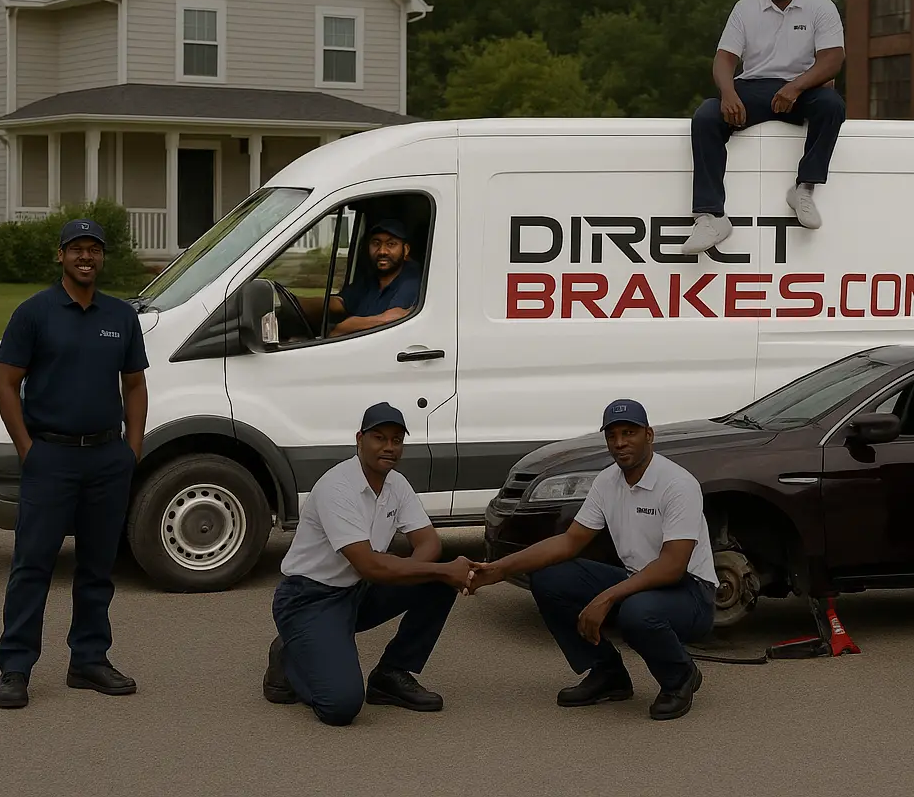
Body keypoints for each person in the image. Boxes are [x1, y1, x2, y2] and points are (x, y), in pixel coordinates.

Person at [466, 399, 717, 720]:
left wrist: (607, 597)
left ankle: (679, 677)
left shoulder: (678, 484)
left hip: (691, 591)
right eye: (612, 435)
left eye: (630, 433)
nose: (620, 443)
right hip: (638, 581)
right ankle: (607, 673)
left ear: (649, 435)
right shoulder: (607, 481)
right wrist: (498, 570)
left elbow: (672, 566)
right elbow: (569, 542)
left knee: (636, 612)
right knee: (549, 578)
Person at [0, 218, 149, 710]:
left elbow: (135, 384)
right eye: (77, 249)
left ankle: (88, 659)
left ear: (102, 258)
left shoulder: (121, 316)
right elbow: (7, 382)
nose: (87, 258)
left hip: (106, 457)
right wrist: (27, 450)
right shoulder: (34, 313)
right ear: (60, 256)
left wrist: (132, 449)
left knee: (98, 567)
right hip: (50, 457)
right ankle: (15, 667)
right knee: (32, 566)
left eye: (94, 250)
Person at [264, 402, 470, 726]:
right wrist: (435, 570)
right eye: (379, 438)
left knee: (435, 579)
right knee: (341, 706)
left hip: (359, 590)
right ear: (359, 439)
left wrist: (412, 574)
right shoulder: (337, 487)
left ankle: (391, 674)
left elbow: (429, 542)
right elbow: (369, 566)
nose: (389, 447)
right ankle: (291, 657)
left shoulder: (396, 484)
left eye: (397, 440)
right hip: (310, 598)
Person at [683, 0, 847, 256]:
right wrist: (728, 92)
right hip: (754, 88)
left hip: (803, 88)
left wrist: (796, 87)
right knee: (706, 116)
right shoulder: (746, 7)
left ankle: (804, 189)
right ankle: (711, 216)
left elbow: (833, 59)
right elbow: (724, 58)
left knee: (832, 105)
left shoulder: (820, 6)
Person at [294, 219, 421, 338]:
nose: (382, 251)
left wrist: (342, 328)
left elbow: (392, 318)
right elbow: (338, 304)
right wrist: (293, 302)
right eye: (376, 243)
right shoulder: (371, 280)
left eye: (391, 244)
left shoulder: (412, 281)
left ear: (405, 250)